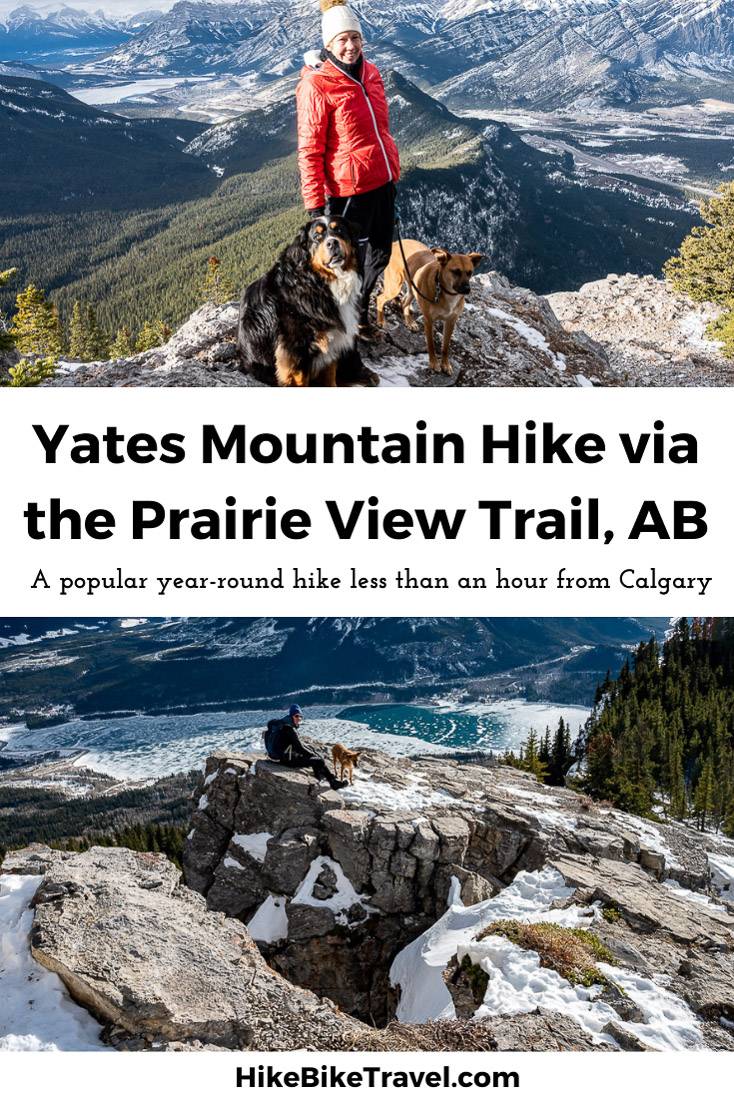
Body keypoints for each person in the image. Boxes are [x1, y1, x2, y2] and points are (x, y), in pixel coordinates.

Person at [296, 0, 401, 341]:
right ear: (328, 45)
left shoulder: (371, 72)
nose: (351, 46)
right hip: (348, 191)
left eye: (355, 37)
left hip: (382, 180)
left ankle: (358, 311)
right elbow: (310, 150)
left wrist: (391, 168)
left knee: (380, 254)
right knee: (345, 262)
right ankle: (335, 325)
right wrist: (315, 206)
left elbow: (379, 129)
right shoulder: (317, 85)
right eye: (342, 40)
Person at [264, 703, 348, 790]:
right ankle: (332, 782)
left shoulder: (282, 725)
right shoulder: (289, 729)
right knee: (319, 761)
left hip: (282, 756)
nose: (299, 719)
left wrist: (312, 753)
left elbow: (296, 745)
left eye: (300, 716)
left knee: (315, 759)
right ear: (291, 716)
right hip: (287, 760)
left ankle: (320, 777)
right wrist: (313, 755)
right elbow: (299, 748)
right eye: (296, 716)